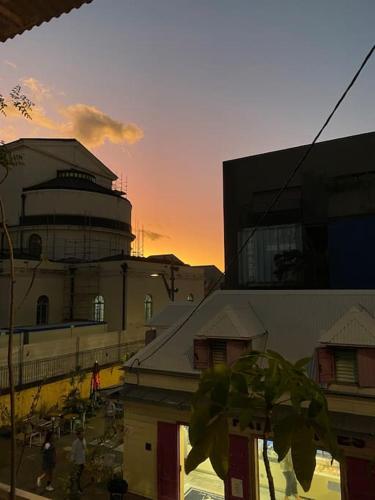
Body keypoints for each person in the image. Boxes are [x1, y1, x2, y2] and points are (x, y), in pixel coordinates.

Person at [71, 428, 87, 494]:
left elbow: (84, 450)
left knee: (80, 476)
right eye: (82, 434)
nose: (83, 435)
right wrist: (73, 462)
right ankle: (78, 489)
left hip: (82, 461)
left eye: (83, 433)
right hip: (78, 462)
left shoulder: (84, 440)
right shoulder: (75, 443)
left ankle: (77, 487)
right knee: (77, 477)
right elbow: (73, 453)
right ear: (78, 435)